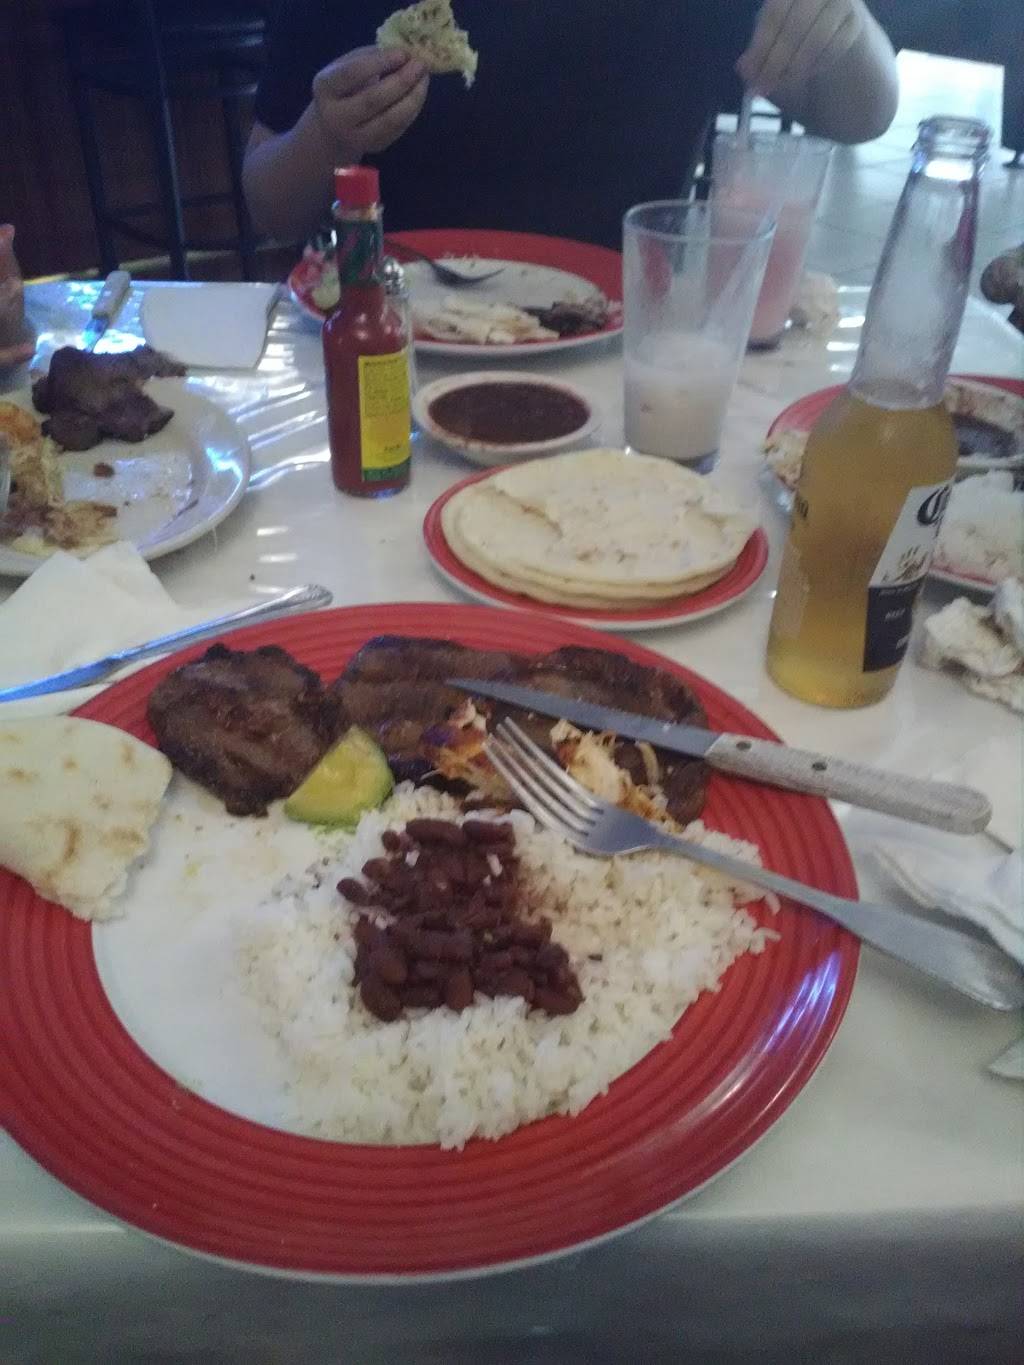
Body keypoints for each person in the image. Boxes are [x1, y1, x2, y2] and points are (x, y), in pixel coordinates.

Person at [244, 0, 898, 248]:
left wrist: (842, 22)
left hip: (626, 340)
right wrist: (327, 136)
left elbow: (864, 115)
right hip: (394, 340)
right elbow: (270, 207)